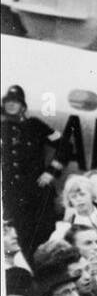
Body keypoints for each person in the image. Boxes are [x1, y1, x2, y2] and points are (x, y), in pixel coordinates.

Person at [2, 84, 65, 260]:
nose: (11, 105)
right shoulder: (3, 128)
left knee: (40, 242)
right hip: (11, 198)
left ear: (23, 106)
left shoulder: (35, 125)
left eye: (16, 102)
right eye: (8, 102)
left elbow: (64, 145)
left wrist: (51, 172)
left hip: (36, 197)